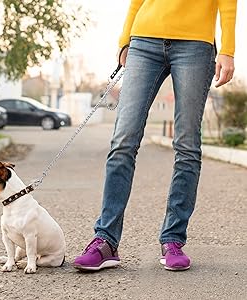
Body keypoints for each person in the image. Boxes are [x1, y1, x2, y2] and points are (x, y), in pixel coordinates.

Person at [73, 0, 237, 271]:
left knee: (187, 145)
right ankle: (105, 240)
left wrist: (228, 49)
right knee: (123, 140)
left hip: (195, 44)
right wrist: (125, 40)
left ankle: (173, 239)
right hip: (144, 41)